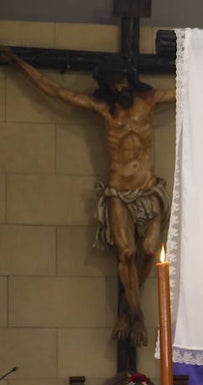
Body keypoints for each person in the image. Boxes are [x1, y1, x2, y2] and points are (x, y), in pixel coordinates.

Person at [0, 48, 175, 347]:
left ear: (128, 78)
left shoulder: (149, 100)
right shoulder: (102, 108)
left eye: (120, 80)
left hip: (148, 188)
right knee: (128, 254)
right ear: (105, 84)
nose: (118, 87)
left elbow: (189, 89)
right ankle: (135, 313)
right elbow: (54, 91)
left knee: (149, 251)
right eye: (112, 82)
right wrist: (17, 62)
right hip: (118, 190)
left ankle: (125, 309)